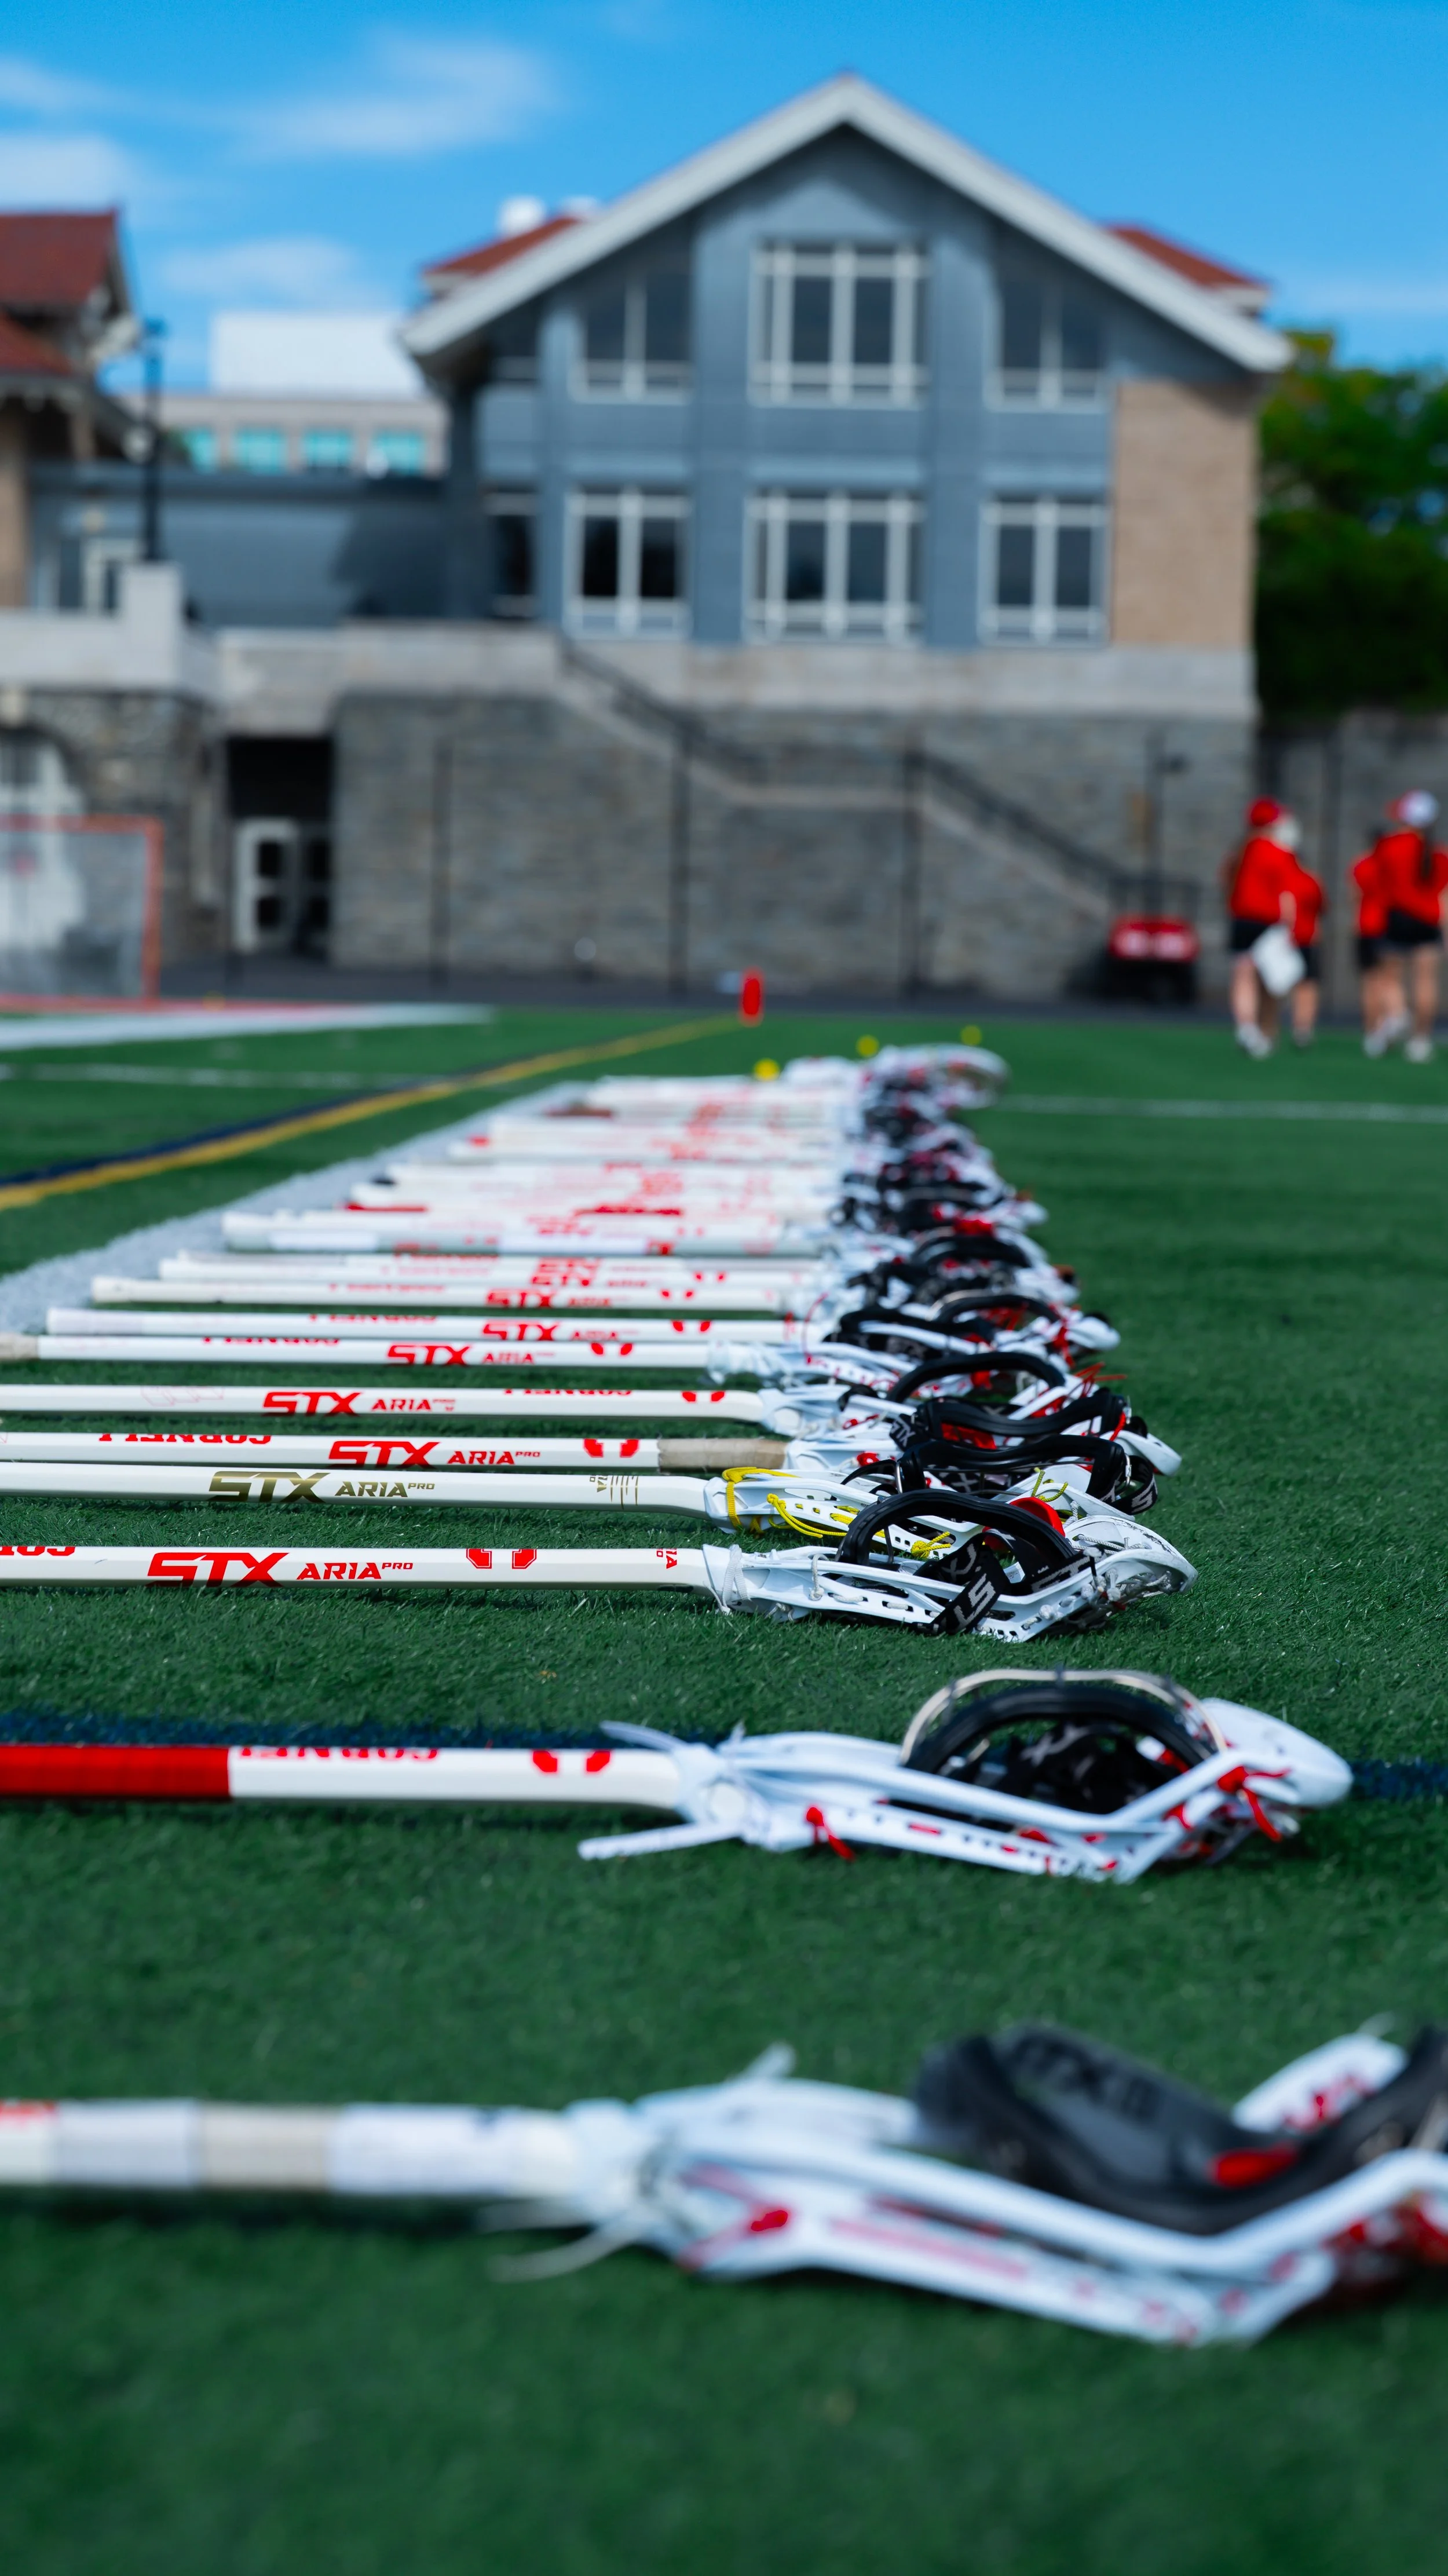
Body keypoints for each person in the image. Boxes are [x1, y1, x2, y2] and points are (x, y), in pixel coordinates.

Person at [1359, 790, 1448, 1062]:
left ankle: (1398, 1015)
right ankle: (1419, 1041)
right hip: (1428, 923)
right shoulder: (1438, 854)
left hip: (1398, 920)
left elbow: (1374, 883)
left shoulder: (1389, 846)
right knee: (1426, 983)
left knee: (1390, 979)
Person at [1220, 796, 1302, 1057]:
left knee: (1243, 976)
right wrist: (1291, 927)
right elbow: (1288, 895)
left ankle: (1247, 1028)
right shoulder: (1281, 852)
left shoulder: (1240, 851)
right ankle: (1267, 1030)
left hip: (1242, 919)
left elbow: (1226, 883)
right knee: (1272, 982)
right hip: (1269, 922)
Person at [1351, 843, 1392, 1051]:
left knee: (1369, 984)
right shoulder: (1391, 865)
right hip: (1388, 928)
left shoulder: (1363, 864)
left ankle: (1372, 1032)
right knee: (1387, 982)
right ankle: (1386, 1026)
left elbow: (1356, 896)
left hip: (1366, 928)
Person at [1288, 854, 1326, 1047]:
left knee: (1277, 988)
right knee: (1308, 987)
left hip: (1286, 942)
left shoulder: (1284, 880)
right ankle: (1303, 1029)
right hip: (1308, 939)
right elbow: (1322, 908)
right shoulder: (1312, 880)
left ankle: (1267, 1029)